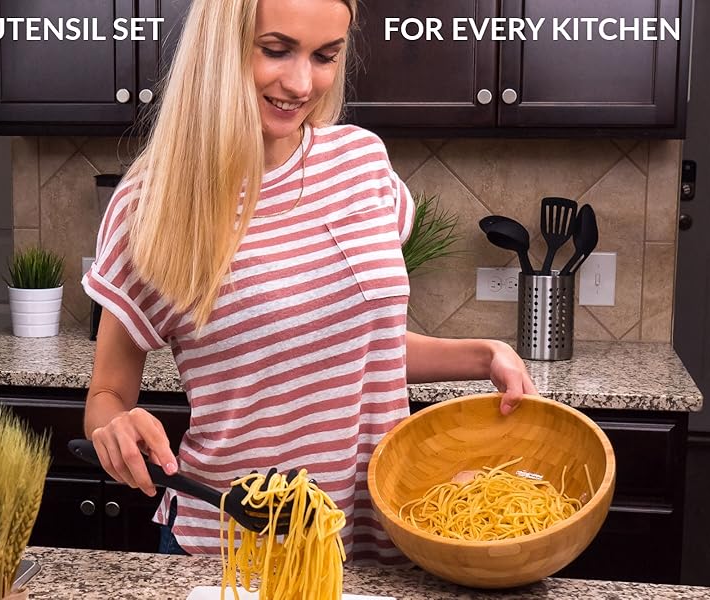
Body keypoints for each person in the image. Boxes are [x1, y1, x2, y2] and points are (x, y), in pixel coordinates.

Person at [82, 0, 536, 563]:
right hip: (233, 545)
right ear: (220, 48)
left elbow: (354, 346)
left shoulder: (363, 164)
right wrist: (116, 426)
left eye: (325, 56)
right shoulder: (152, 206)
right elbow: (106, 395)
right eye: (276, 50)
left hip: (375, 534)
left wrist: (484, 355)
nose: (301, 84)